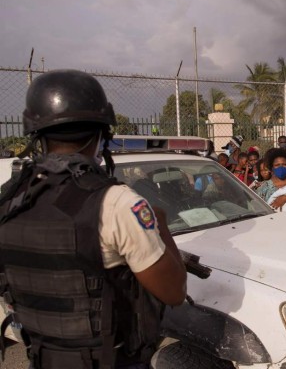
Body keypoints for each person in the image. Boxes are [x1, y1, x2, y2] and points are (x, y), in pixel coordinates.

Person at [0, 70, 187, 368]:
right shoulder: (117, 204)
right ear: (101, 134)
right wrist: (160, 224)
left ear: (36, 133)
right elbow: (174, 292)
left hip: (42, 357)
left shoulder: (10, 199)